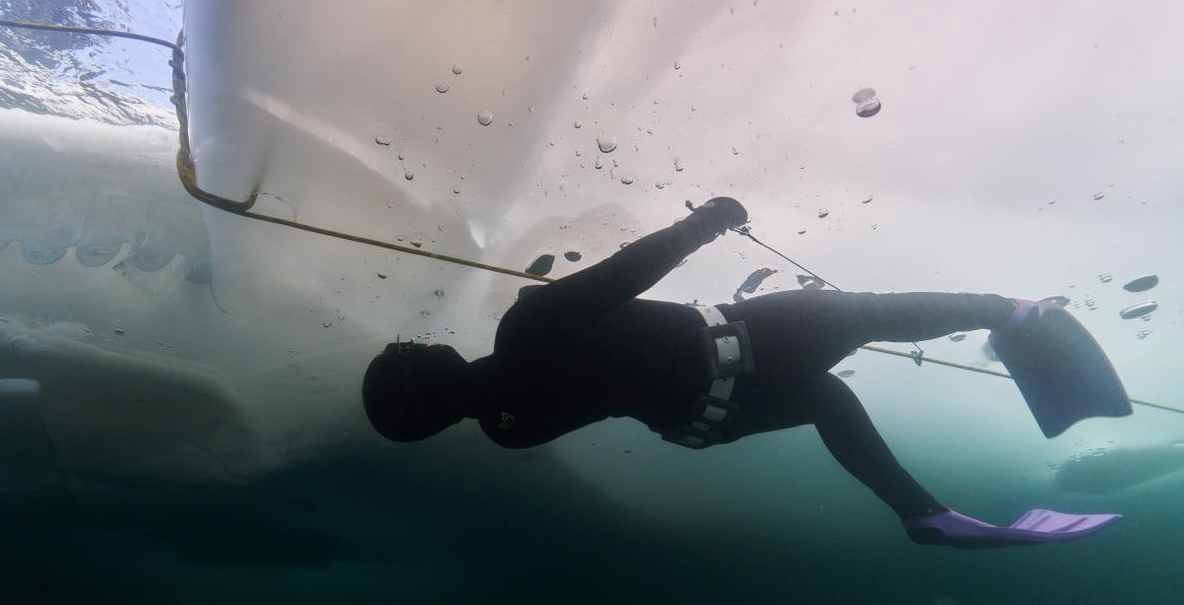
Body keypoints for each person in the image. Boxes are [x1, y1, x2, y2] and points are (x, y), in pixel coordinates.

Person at [362, 198, 1131, 549]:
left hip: (704, 422)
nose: (414, 343)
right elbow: (624, 274)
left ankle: (921, 512)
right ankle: (1015, 313)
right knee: (847, 313)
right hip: (729, 351)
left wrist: (549, 321)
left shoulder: (506, 429)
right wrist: (704, 222)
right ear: (424, 374)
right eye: (406, 354)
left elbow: (547, 384)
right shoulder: (523, 330)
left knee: (827, 395)